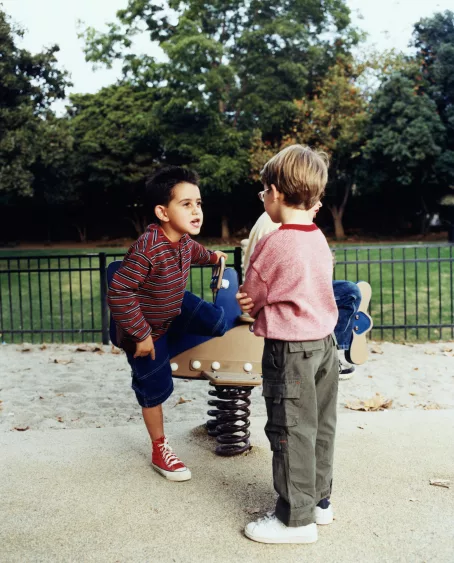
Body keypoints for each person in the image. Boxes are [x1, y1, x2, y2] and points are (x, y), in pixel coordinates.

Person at [236, 144, 339, 544]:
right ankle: (318, 502)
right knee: (320, 425)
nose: (264, 200)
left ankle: (295, 521)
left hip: (289, 351)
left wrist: (249, 300)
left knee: (290, 428)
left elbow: (252, 291)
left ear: (275, 192)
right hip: (324, 345)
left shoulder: (274, 243)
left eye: (263, 193)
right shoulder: (316, 237)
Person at [108, 166, 227, 482]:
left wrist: (214, 257)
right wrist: (141, 335)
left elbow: (196, 253)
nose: (196, 210)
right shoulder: (148, 248)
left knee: (217, 323)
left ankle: (174, 339)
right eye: (186, 204)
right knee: (155, 385)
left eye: (198, 203)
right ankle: (160, 447)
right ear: (162, 211)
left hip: (170, 308)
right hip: (146, 327)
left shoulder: (184, 241)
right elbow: (119, 290)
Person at [242, 211, 365, 379]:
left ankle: (335, 349)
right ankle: (333, 350)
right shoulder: (275, 226)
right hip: (287, 293)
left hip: (293, 286)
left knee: (348, 290)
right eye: (316, 198)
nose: (320, 204)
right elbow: (271, 275)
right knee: (349, 293)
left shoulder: (292, 224)